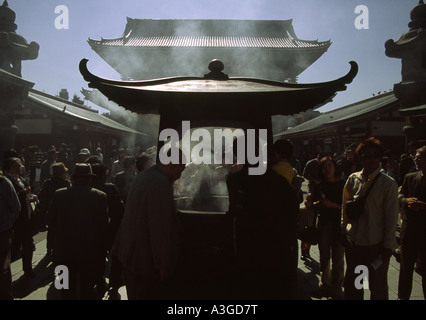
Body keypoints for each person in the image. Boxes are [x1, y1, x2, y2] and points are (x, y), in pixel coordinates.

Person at [111, 148, 186, 300]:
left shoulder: (144, 175)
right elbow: (159, 227)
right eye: (181, 169)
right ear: (172, 164)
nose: (179, 175)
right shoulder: (160, 183)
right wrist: (163, 263)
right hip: (144, 260)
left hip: (130, 254)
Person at [342, 137, 399, 300]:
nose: (371, 159)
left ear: (380, 158)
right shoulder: (353, 179)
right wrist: (343, 229)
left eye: (375, 155)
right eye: (366, 155)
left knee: (377, 287)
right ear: (361, 157)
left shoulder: (388, 183)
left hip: (376, 245)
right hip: (355, 242)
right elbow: (345, 208)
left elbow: (391, 217)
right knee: (357, 285)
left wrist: (388, 246)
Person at [48, 163, 109, 299]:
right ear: (90, 179)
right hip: (89, 251)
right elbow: (103, 225)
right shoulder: (100, 196)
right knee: (87, 288)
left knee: (64, 288)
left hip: (63, 251)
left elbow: (50, 220)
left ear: (74, 178)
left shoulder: (59, 194)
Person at [305, 157, 345, 299]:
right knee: (324, 256)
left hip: (338, 224)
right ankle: (325, 284)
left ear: (334, 167)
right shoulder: (319, 185)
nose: (326, 169)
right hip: (323, 224)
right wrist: (311, 202)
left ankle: (337, 287)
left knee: (338, 257)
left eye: (329, 166)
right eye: (323, 167)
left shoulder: (342, 184)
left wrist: (332, 205)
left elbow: (346, 207)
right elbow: (315, 205)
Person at [90, 162, 125, 299]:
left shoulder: (89, 189)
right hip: (112, 228)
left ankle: (99, 281)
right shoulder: (110, 188)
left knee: (98, 256)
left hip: (95, 229)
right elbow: (121, 210)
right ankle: (114, 284)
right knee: (115, 257)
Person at [397, 145, 426, 300]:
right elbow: (399, 195)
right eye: (416, 157)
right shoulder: (410, 177)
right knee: (405, 270)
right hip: (409, 231)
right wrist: (406, 200)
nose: (416, 159)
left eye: (420, 157)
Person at [3, 157, 37, 279]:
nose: (19, 167)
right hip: (15, 220)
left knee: (28, 244)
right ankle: (6, 272)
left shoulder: (21, 179)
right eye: (16, 165)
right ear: (10, 167)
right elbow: (9, 199)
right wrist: (23, 192)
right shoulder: (6, 181)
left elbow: (25, 194)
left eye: (19, 165)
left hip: (26, 215)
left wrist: (30, 196)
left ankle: (28, 269)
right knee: (14, 247)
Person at [37, 162, 71, 255]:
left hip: (50, 209)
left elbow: (41, 195)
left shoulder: (48, 182)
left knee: (51, 230)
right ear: (62, 173)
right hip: (62, 210)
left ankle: (49, 248)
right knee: (61, 229)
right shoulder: (66, 183)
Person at [301, 151, 328, 259]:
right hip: (312, 190)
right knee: (308, 224)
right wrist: (315, 180)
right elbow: (304, 175)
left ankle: (307, 249)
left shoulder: (326, 165)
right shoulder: (310, 163)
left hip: (322, 192)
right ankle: (304, 250)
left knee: (314, 227)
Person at [0, 172, 21, 300]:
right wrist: (8, 221)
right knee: (3, 265)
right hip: (3, 229)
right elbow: (16, 207)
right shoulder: (4, 182)